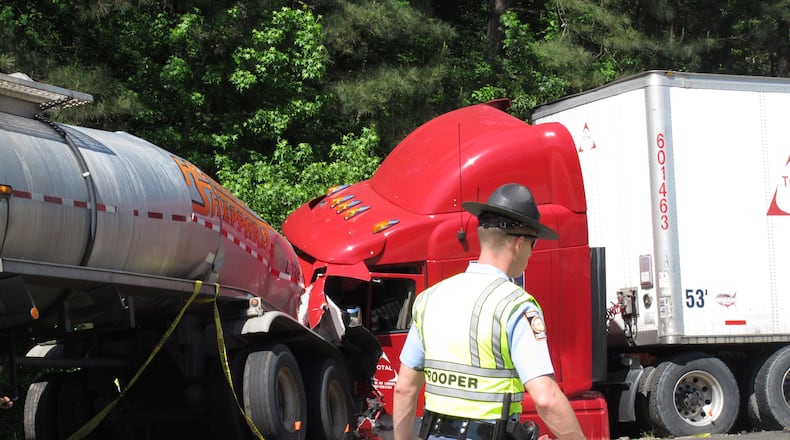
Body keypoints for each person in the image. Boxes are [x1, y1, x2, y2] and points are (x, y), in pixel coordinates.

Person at [393, 183, 585, 440]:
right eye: (534, 244)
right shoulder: (515, 306)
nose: (531, 254)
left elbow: (404, 388)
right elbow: (546, 398)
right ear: (519, 243)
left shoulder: (429, 299)